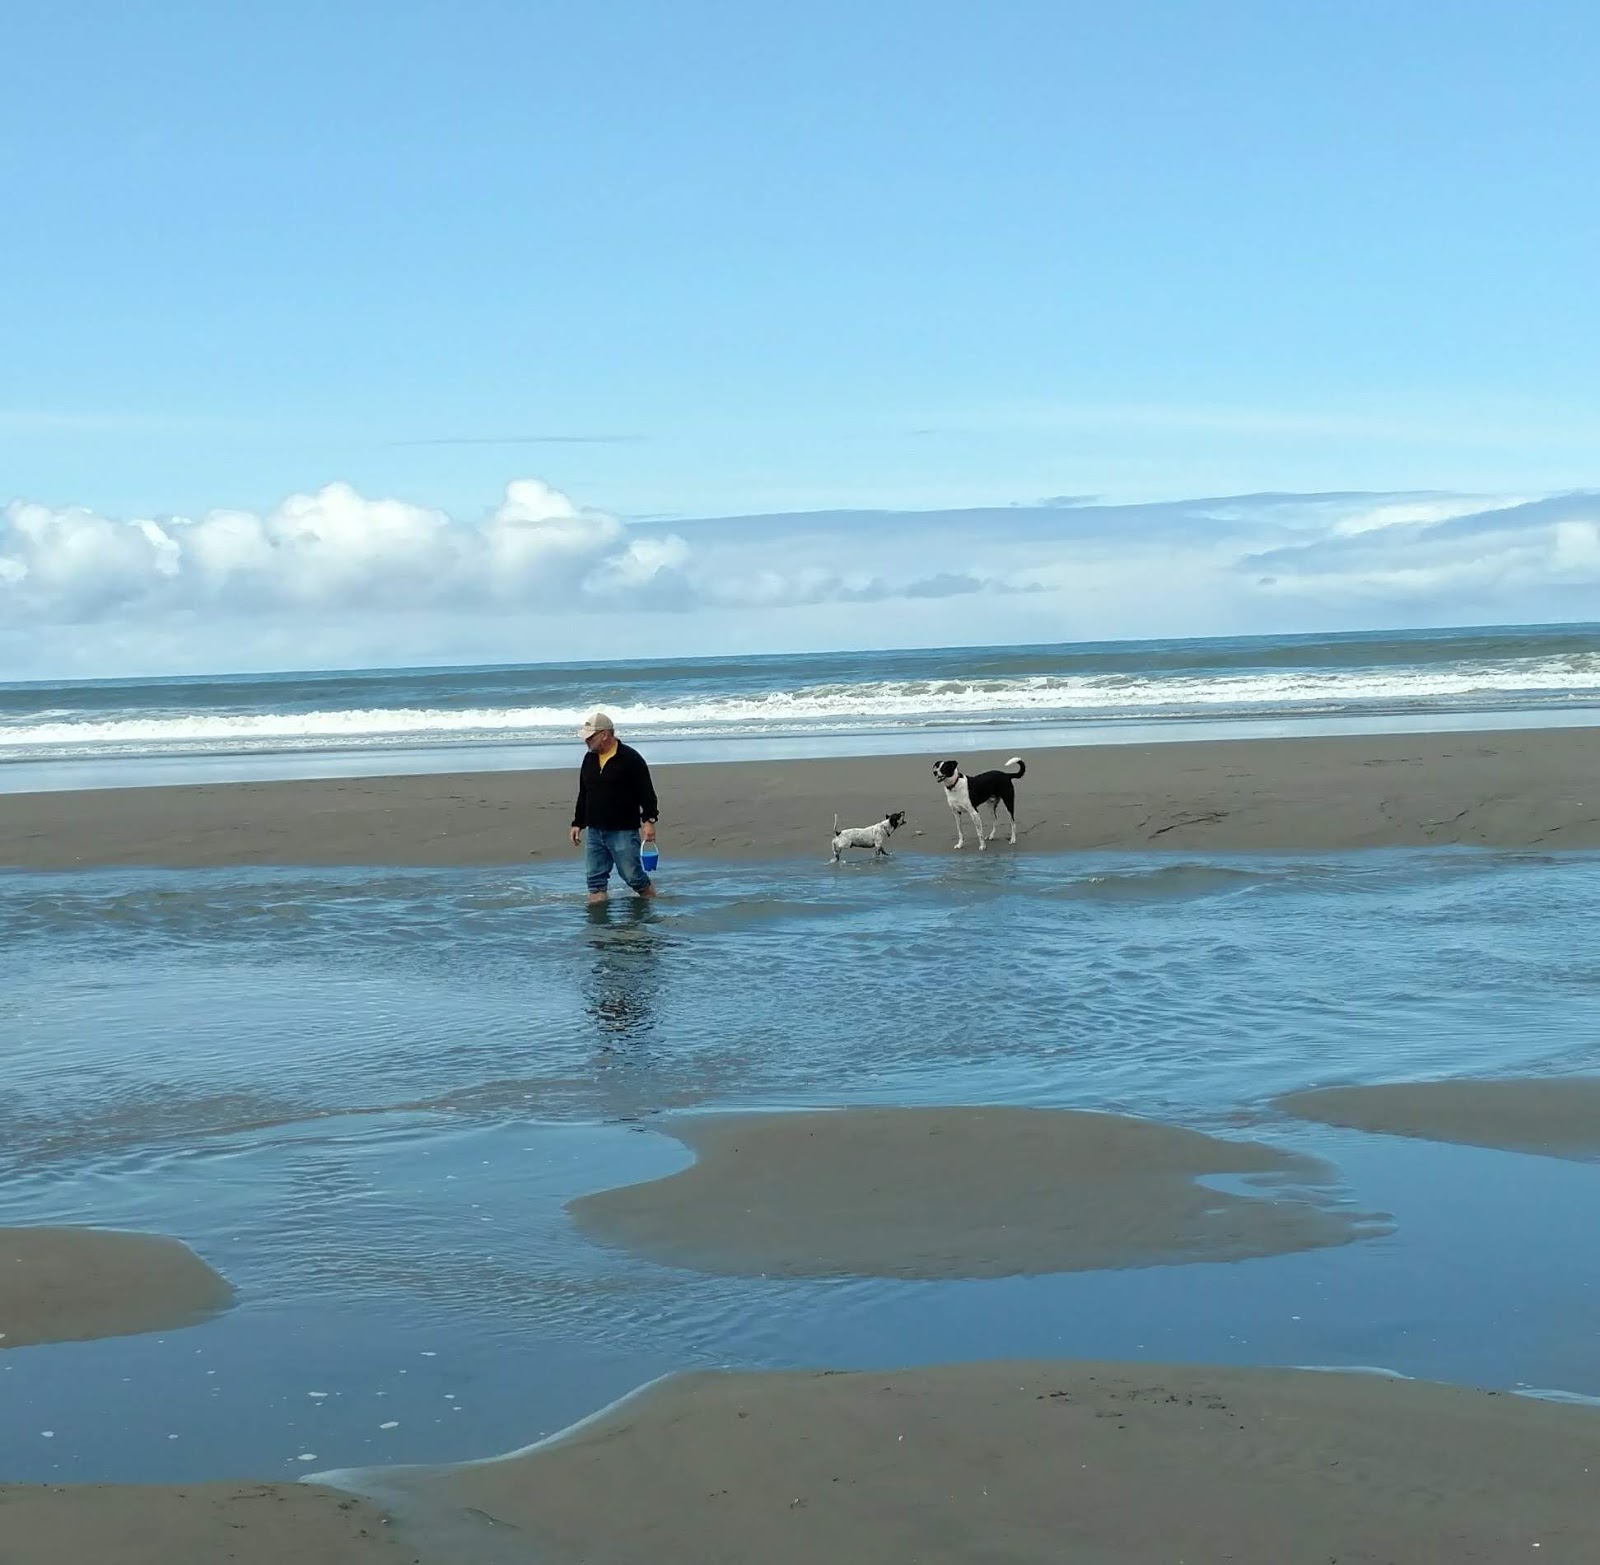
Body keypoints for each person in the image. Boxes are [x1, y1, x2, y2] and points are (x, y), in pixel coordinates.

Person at [568, 711, 658, 904]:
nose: (586, 742)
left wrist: (649, 821)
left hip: (623, 830)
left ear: (605, 735)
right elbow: (584, 792)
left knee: (632, 876)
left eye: (590, 737)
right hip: (594, 830)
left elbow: (647, 792)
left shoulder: (630, 758)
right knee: (595, 879)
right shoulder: (589, 759)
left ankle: (652, 903)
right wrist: (578, 823)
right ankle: (600, 928)